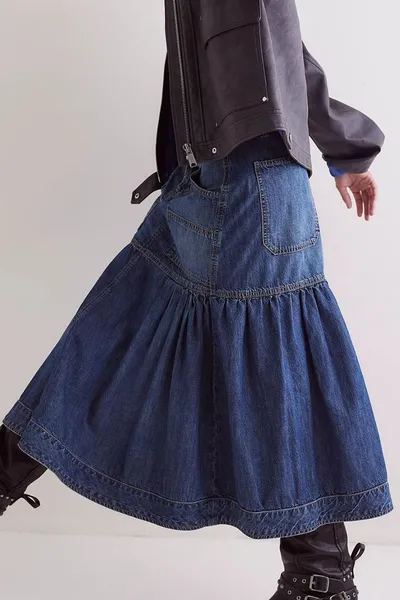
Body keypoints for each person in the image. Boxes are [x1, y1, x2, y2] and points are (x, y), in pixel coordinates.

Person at [0, 2, 393, 598]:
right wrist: (343, 143)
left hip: (213, 179)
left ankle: (321, 577)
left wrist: (346, 144)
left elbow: (275, 51)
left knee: (123, 332)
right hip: (248, 184)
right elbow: (267, 47)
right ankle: (321, 579)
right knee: (276, 367)